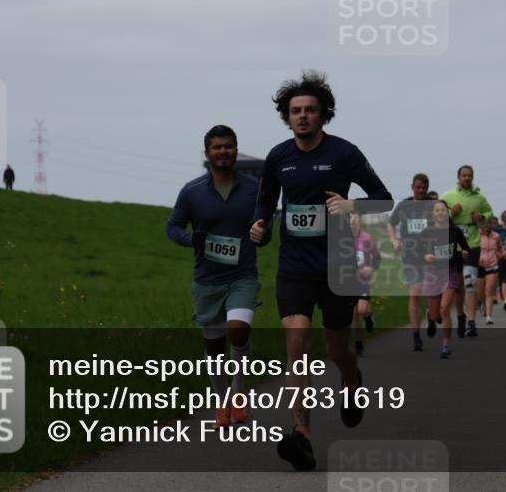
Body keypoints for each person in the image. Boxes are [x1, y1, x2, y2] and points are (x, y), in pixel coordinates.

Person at [250, 71, 393, 471]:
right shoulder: (279, 157)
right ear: (287, 116)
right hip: (294, 267)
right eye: (295, 110)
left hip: (338, 266)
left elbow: (384, 199)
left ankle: (352, 382)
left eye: (310, 110)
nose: (303, 116)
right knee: (297, 346)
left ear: (323, 115)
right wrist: (259, 228)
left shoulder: (345, 154)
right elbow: (264, 205)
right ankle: (302, 436)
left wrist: (352, 206)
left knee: (337, 351)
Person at [166, 125, 260, 428]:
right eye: (217, 147)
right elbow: (173, 227)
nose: (223, 152)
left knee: (239, 330)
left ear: (235, 149)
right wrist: (190, 239)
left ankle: (237, 392)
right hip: (207, 280)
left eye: (229, 146)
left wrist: (264, 233)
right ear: (207, 154)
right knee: (215, 347)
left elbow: (265, 221)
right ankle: (222, 402)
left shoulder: (252, 188)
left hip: (243, 276)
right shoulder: (192, 191)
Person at [441, 166, 493, 338]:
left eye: (469, 175)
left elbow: (489, 212)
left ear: (473, 178)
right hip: (453, 246)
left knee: (469, 281)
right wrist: (450, 212)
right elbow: (437, 213)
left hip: (472, 243)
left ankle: (471, 322)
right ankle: (461, 316)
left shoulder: (479, 197)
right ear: (458, 177)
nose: (467, 178)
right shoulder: (448, 196)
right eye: (464, 175)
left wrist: (482, 217)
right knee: (458, 286)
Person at [388, 173, 434, 352]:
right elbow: (391, 223)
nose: (421, 190)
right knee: (415, 294)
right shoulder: (404, 205)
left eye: (423, 188)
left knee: (430, 294)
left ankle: (432, 316)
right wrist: (394, 240)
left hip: (430, 255)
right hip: (410, 256)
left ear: (427, 188)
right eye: (418, 187)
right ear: (412, 187)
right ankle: (416, 335)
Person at [420, 199, 470, 359]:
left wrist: (465, 253)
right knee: (437, 316)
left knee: (445, 309)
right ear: (433, 214)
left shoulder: (455, 231)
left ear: (447, 212)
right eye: (437, 211)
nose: (440, 213)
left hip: (450, 272)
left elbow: (466, 247)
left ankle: (446, 346)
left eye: (443, 210)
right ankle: (431, 316)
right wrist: (425, 256)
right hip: (432, 274)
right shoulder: (427, 232)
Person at [350, 213, 381, 356]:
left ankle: (368, 316)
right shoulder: (340, 238)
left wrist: (371, 268)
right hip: (346, 280)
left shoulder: (366, 238)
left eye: (356, 217)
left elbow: (377, 257)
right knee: (353, 313)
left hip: (362, 280)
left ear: (360, 221)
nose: (354, 220)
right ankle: (358, 342)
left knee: (361, 310)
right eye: (350, 217)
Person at [477, 215, 504, 325]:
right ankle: (482, 303)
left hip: (493, 266)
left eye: (489, 224)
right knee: (480, 293)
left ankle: (489, 316)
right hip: (479, 266)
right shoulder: (477, 235)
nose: (487, 227)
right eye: (485, 225)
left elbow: (500, 248)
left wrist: (502, 255)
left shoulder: (496, 236)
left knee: (489, 290)